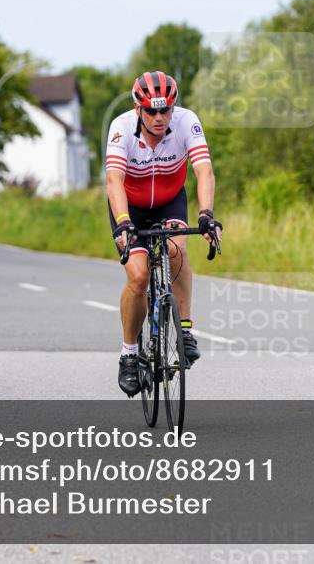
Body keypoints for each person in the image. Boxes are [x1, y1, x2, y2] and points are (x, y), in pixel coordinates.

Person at [105, 71, 222, 396]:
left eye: (165, 110)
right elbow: (113, 180)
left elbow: (204, 170)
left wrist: (206, 214)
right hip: (130, 207)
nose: (159, 117)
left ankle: (184, 330)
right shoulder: (121, 128)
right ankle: (129, 354)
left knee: (177, 251)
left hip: (170, 201)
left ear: (173, 107)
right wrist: (123, 221)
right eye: (151, 111)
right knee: (139, 277)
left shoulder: (187, 122)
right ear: (138, 109)